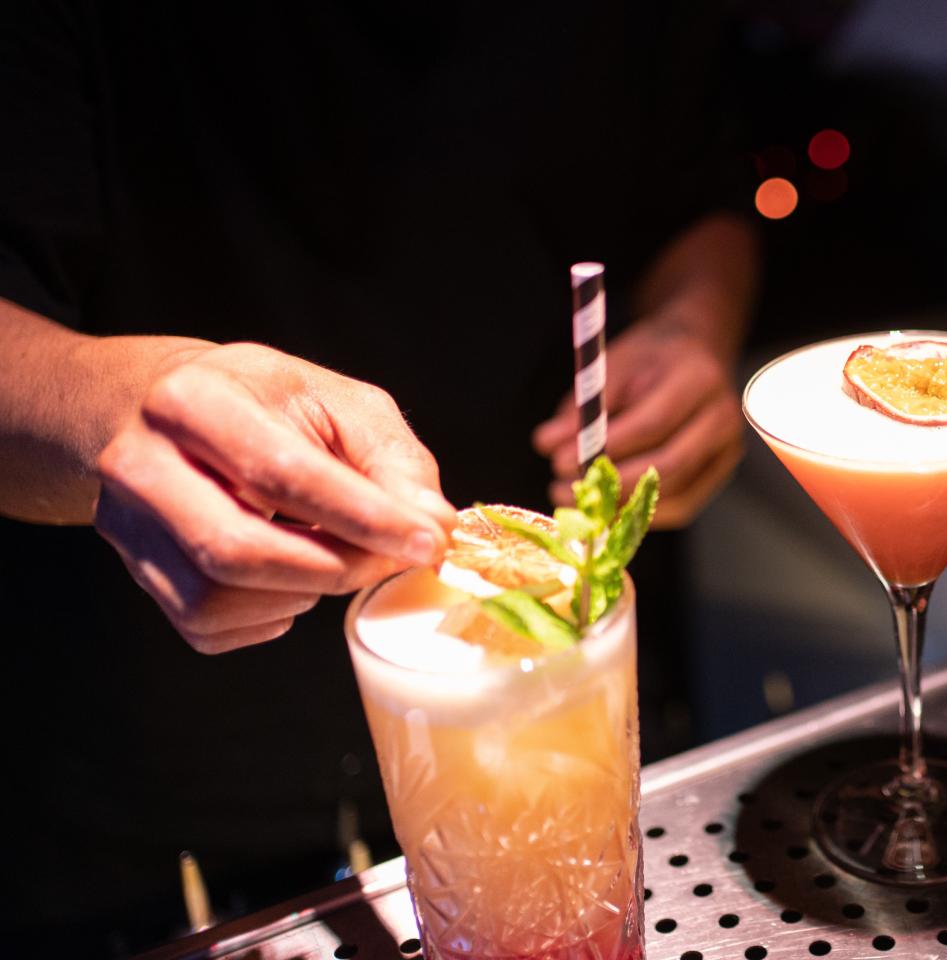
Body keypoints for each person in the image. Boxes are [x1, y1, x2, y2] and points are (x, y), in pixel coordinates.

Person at [0, 2, 755, 953]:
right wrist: (115, 409)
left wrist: (693, 323)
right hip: (152, 764)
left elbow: (703, 185)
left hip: (574, 671)